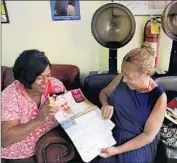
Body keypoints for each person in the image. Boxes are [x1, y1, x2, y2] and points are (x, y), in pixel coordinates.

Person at [94, 43, 167, 163]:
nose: (124, 80)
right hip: (112, 132)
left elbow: (148, 135)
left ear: (146, 73)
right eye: (123, 74)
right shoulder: (122, 77)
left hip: (137, 143)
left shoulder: (159, 97)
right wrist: (105, 104)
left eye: (129, 77)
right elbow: (104, 93)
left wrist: (117, 150)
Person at [1, 50, 66, 163]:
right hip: (18, 152)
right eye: (40, 77)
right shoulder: (10, 96)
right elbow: (6, 140)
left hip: (46, 144)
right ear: (25, 78)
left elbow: (70, 112)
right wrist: (39, 119)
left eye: (49, 75)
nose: (46, 82)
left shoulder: (56, 86)